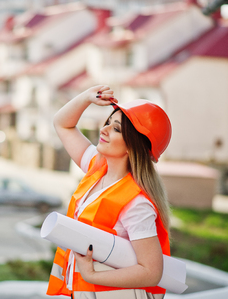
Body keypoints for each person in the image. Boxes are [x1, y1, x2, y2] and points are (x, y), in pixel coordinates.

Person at [46, 85, 172, 299]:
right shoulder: (97, 167)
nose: (103, 130)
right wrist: (87, 97)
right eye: (107, 122)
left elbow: (151, 272)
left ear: (133, 146)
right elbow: (62, 123)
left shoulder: (136, 204)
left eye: (116, 129)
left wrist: (92, 275)